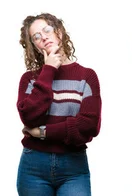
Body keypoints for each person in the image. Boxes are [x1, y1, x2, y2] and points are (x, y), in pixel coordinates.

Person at [16, 13, 102, 196]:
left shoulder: (87, 76)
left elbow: (89, 125)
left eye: (47, 30)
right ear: (35, 47)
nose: (43, 37)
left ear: (60, 33)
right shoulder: (29, 79)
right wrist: (48, 70)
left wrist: (43, 132)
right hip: (33, 168)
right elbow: (30, 117)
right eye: (36, 37)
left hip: (73, 167)